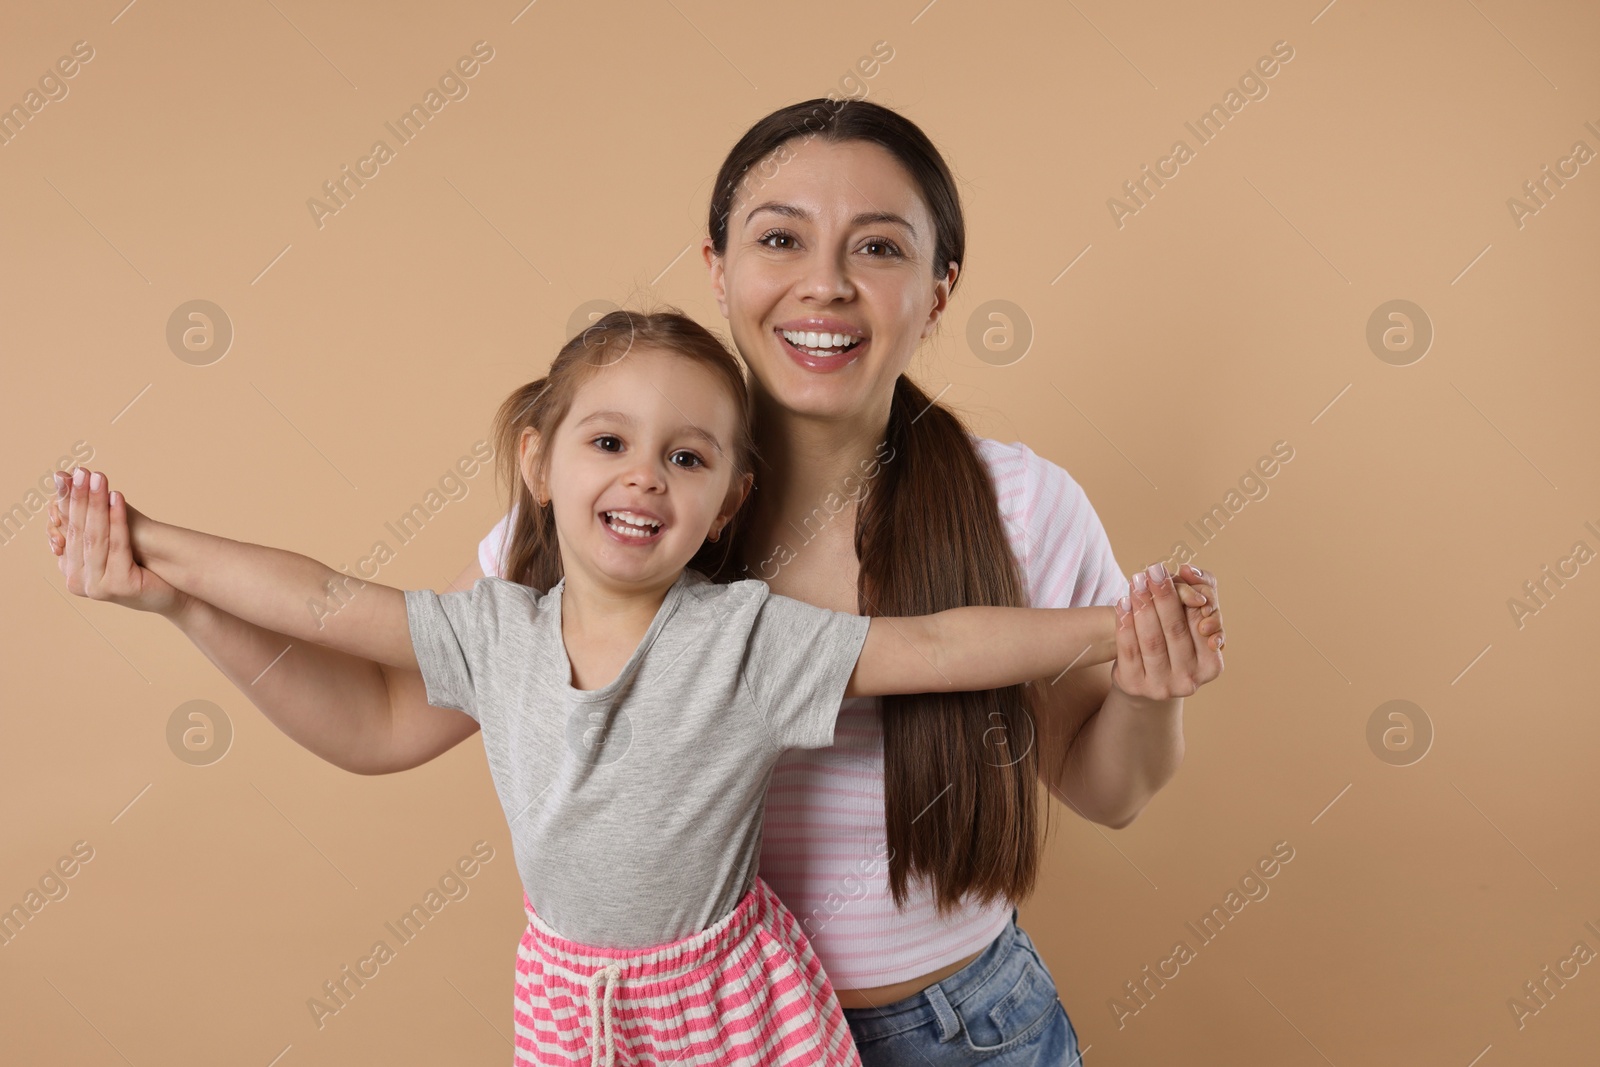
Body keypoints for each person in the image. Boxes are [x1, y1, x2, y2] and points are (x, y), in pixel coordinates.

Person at [53, 98, 1227, 1065]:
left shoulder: (1022, 503)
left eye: (877, 246)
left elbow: (1108, 787)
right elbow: (375, 714)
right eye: (778, 238)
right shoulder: (607, 516)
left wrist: (1148, 673)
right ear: (717, 267)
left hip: (959, 1029)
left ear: (939, 286)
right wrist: (175, 595)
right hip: (675, 1038)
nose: (823, 283)